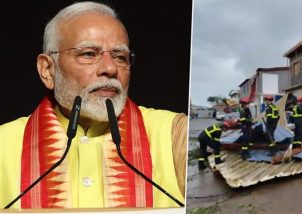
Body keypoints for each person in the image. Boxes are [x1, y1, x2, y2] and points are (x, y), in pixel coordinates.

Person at [0, 2, 186, 209]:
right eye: (88, 54)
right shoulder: (3, 143)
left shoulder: (175, 134)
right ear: (47, 70)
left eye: (120, 57)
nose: (110, 68)